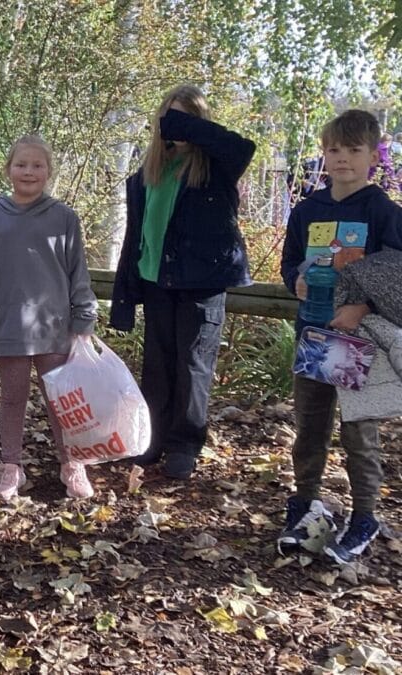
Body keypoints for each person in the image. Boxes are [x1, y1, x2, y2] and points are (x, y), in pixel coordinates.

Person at [110, 84, 256, 480]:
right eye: (170, 116)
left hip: (201, 281)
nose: (176, 127)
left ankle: (184, 444)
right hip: (157, 280)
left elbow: (243, 146)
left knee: (193, 365)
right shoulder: (149, 174)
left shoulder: (216, 165)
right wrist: (126, 290)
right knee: (158, 365)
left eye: (186, 117)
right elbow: (137, 234)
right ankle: (153, 439)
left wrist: (189, 127)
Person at [278, 109, 402, 564]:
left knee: (358, 434)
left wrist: (362, 307)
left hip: (359, 343)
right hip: (314, 335)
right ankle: (306, 505)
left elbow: (398, 274)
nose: (343, 159)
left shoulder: (383, 211)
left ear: (373, 155)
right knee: (310, 428)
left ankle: (365, 516)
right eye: (334, 149)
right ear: (324, 154)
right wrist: (298, 282)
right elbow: (291, 262)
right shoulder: (308, 210)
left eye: (354, 150)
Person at [0, 136, 98, 500]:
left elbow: (77, 274)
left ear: (49, 172)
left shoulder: (64, 218)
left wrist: (83, 321)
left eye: (37, 165)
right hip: (9, 325)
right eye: (21, 164)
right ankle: (10, 466)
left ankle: (73, 463)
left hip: (55, 328)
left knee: (61, 399)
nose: (29, 172)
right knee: (12, 398)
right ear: (9, 169)